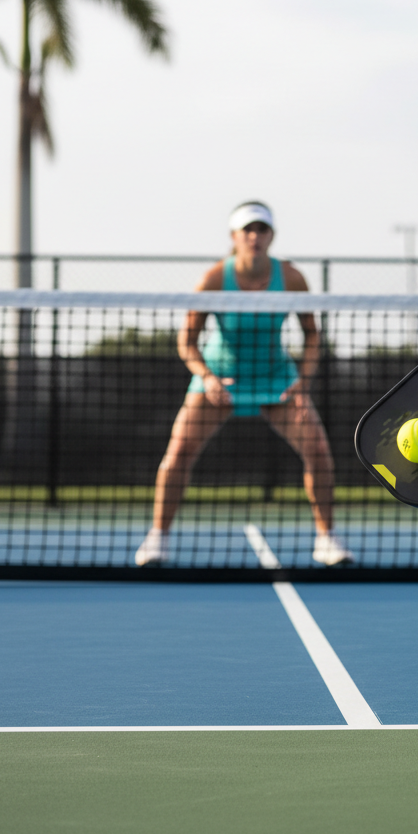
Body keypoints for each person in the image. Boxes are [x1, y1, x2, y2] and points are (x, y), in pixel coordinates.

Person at [134, 201, 353, 568]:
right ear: (234, 236)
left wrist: (302, 382)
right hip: (220, 377)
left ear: (271, 236)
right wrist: (207, 377)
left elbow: (312, 335)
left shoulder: (292, 279)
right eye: (247, 229)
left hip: (276, 378)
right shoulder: (214, 279)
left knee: (318, 449)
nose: (255, 236)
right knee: (178, 453)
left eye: (261, 229)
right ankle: (157, 539)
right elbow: (187, 341)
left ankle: (327, 539)